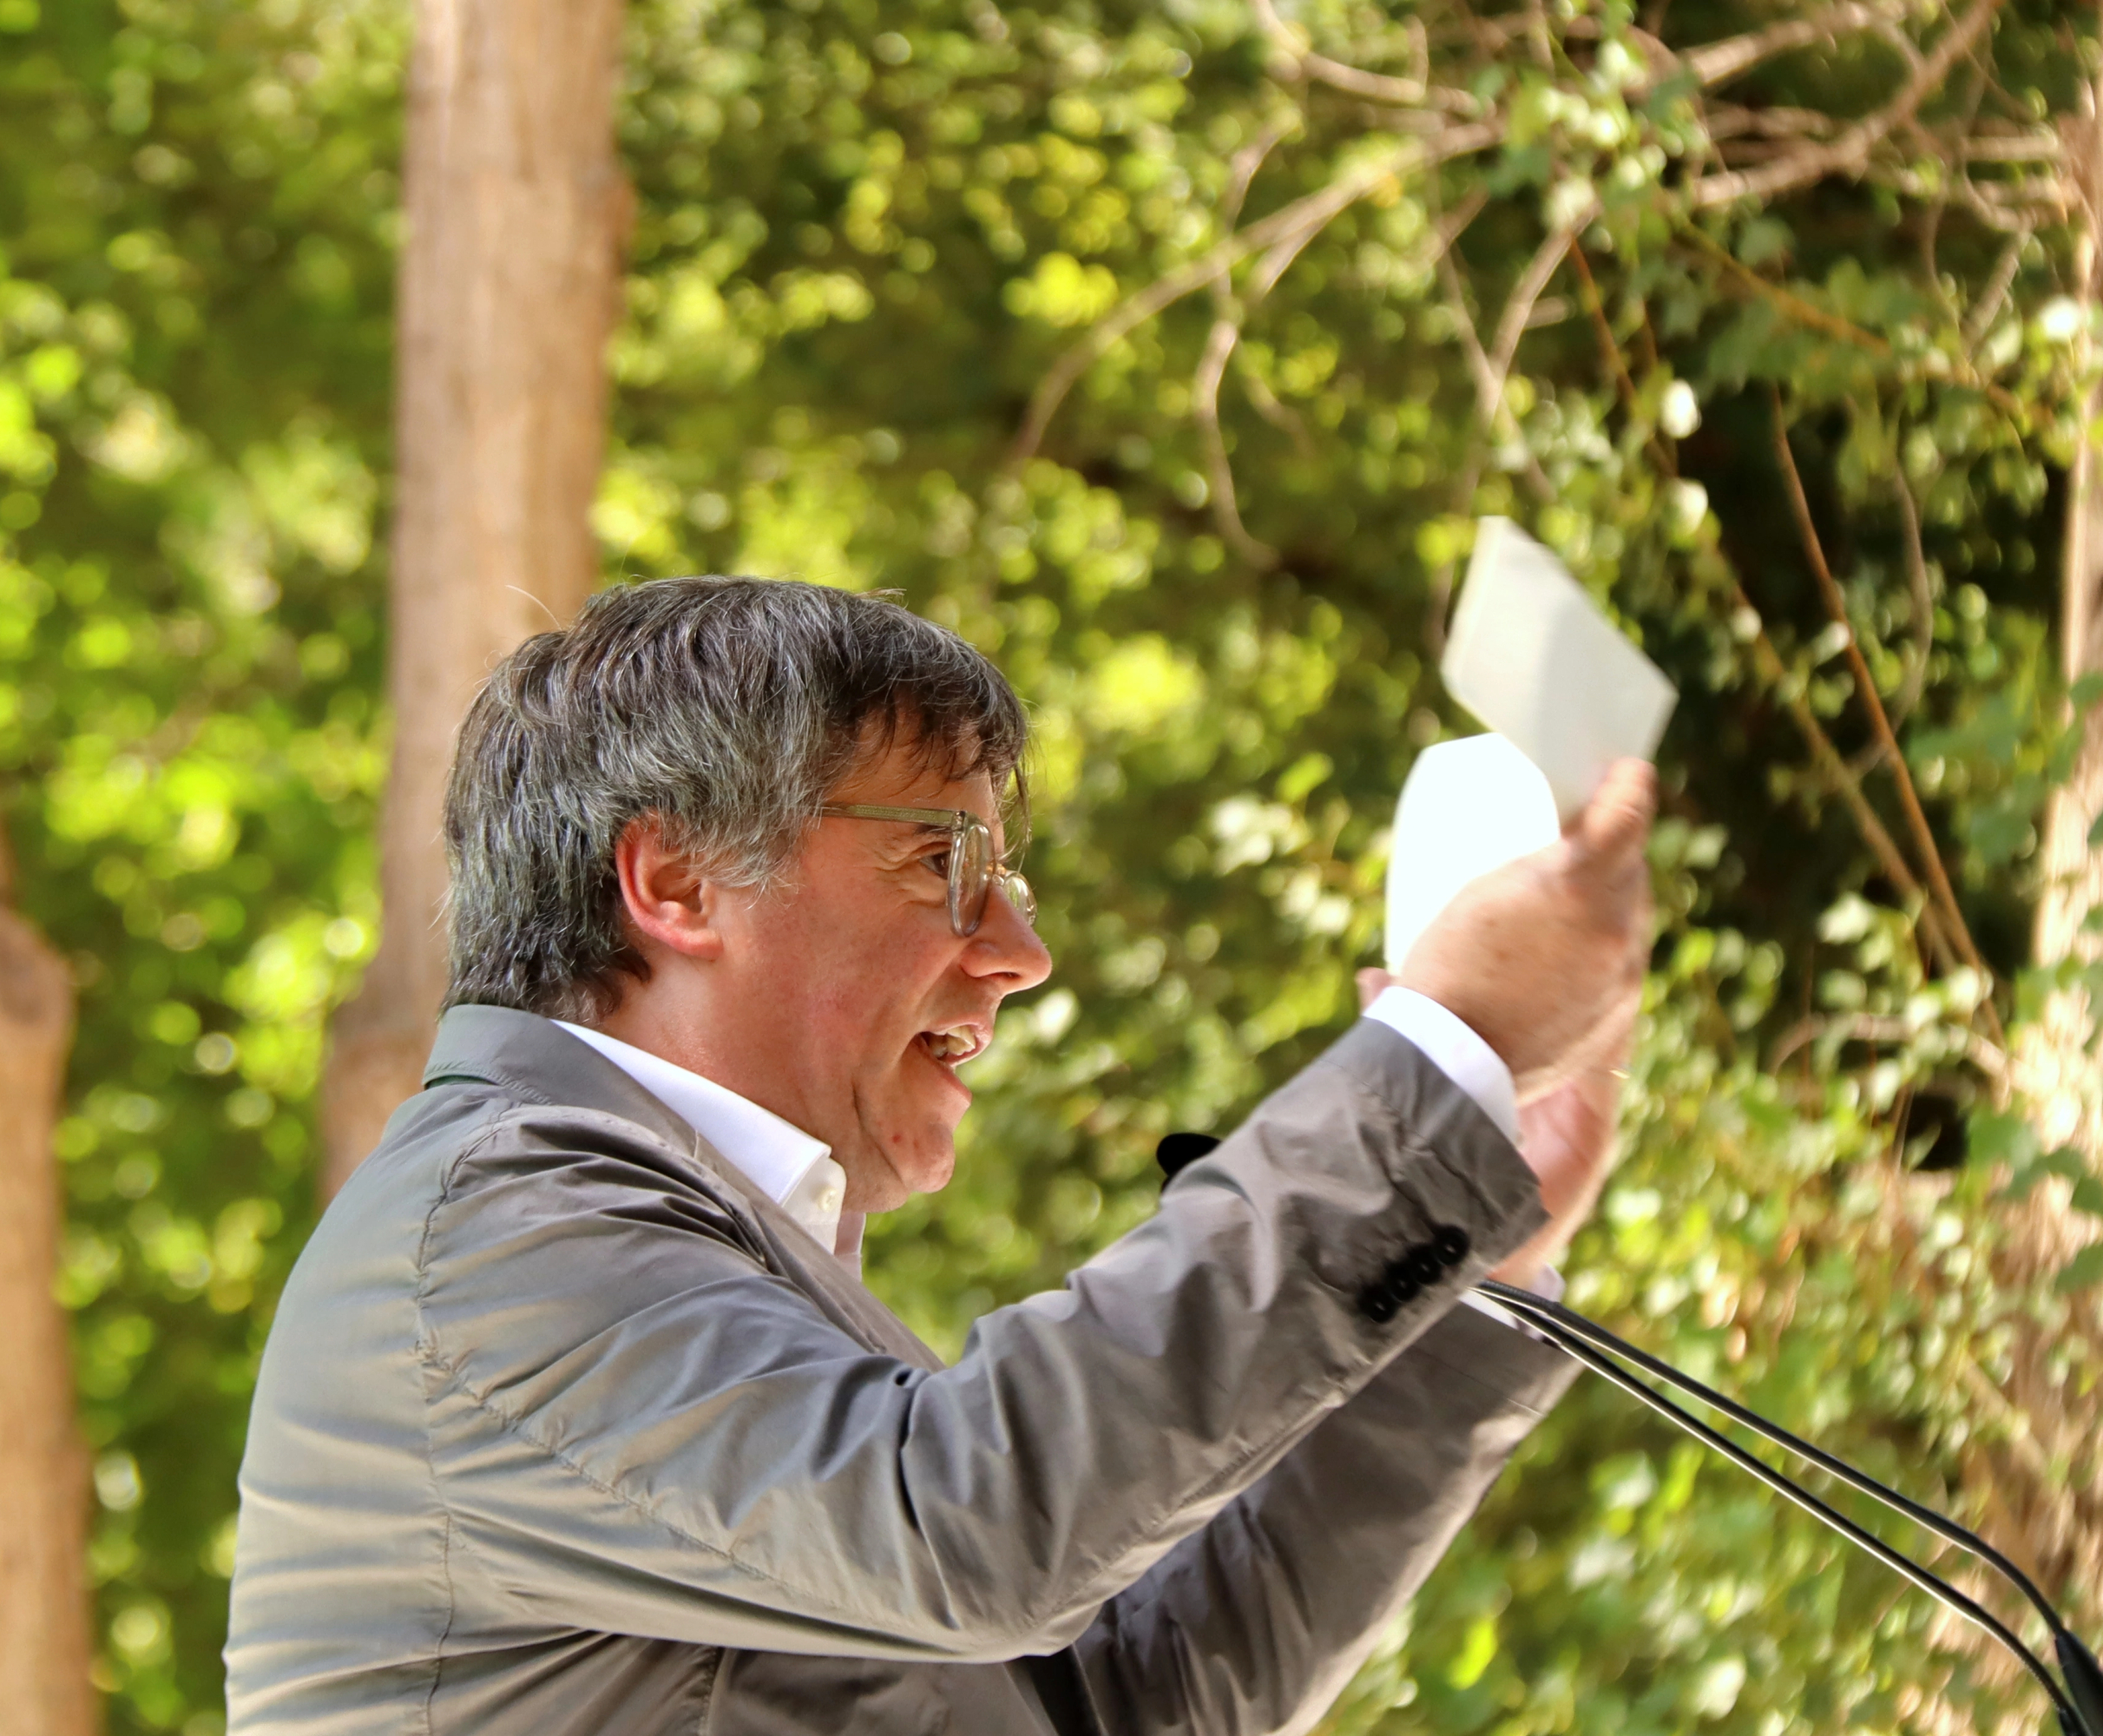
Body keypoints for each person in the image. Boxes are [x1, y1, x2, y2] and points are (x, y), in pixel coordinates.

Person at [226, 577, 1653, 1735]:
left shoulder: (677, 1267)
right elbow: (973, 1525)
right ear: (675, 883)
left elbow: (1131, 1706)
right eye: (942, 866)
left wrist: (1479, 1262)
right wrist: (1438, 1055)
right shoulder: (496, 1230)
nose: (1022, 957)